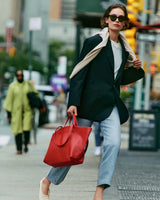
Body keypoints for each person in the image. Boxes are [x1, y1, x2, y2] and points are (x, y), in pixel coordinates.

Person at [39, 4, 142, 200]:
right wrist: (73, 102)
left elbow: (118, 79)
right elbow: (79, 73)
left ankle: (99, 191)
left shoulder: (125, 50)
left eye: (121, 18)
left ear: (126, 23)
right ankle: (47, 181)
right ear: (106, 20)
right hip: (86, 104)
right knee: (75, 148)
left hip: (109, 104)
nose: (117, 21)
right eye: (113, 17)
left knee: (113, 144)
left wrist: (136, 68)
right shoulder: (94, 42)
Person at [3, 70, 39, 154]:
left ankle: (25, 144)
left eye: (21, 75)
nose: (20, 77)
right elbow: (9, 100)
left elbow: (35, 94)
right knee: (17, 130)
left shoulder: (28, 84)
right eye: (18, 76)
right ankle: (19, 149)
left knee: (26, 129)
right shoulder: (13, 86)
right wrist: (9, 114)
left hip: (27, 111)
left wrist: (37, 103)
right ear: (16, 76)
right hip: (16, 112)